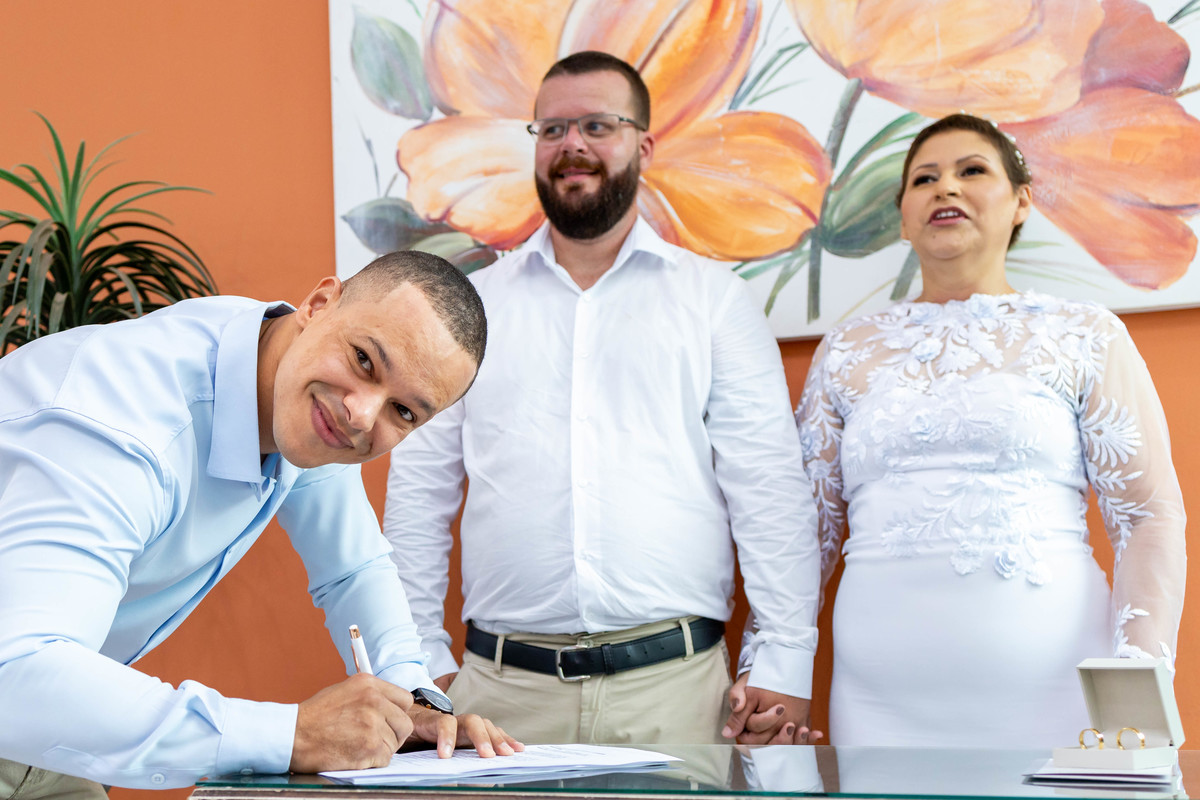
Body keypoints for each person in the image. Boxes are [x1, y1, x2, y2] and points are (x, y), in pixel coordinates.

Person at [382, 51, 822, 746]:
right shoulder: (470, 310)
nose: (573, 145)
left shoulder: (714, 301)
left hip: (677, 696)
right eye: (553, 129)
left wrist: (784, 658)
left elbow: (768, 491)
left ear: (643, 145)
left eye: (597, 125)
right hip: (496, 701)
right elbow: (418, 496)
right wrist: (417, 668)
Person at [0, 250, 521, 796]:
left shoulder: (292, 375)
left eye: (404, 411)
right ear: (318, 304)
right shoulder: (121, 425)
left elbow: (353, 569)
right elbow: (16, 670)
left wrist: (412, 701)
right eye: (365, 361)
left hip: (53, 731)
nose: (363, 414)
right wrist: (292, 735)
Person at [792, 113, 1186, 746]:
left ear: (1021, 202)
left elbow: (1147, 518)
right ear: (903, 218)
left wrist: (1138, 682)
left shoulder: (1085, 334)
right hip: (877, 703)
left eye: (971, 170)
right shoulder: (844, 349)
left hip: (1058, 692)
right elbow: (806, 533)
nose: (945, 187)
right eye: (924, 179)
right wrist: (773, 667)